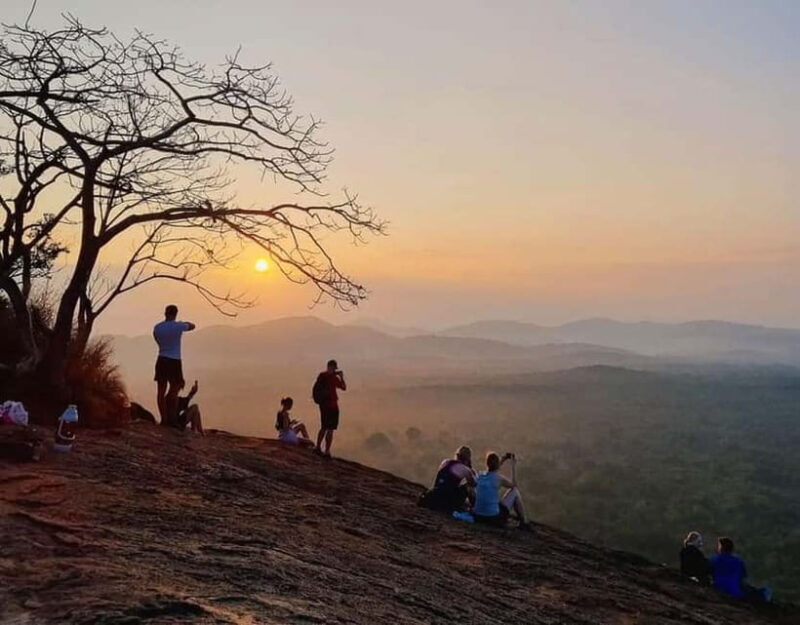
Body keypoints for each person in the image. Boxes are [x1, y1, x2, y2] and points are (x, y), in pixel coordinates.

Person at [153, 305, 195, 426]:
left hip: (161, 358)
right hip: (174, 360)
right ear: (175, 314)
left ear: (165, 313)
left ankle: (164, 418)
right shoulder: (178, 326)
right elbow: (192, 326)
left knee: (160, 390)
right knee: (175, 387)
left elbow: (157, 340)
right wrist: (184, 322)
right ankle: (171, 415)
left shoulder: (157, 327)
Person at [473, 451, 532, 531]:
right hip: (493, 517)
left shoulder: (480, 475)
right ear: (497, 464)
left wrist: (503, 459)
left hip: (478, 516)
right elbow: (513, 485)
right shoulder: (498, 479)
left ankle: (523, 522)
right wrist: (513, 466)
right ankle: (523, 522)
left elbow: (491, 470)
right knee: (514, 491)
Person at [711, 537, 771, 604]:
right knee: (762, 591)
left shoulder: (714, 560)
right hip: (736, 592)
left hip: (718, 588)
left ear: (721, 548)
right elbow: (743, 577)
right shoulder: (738, 561)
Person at [419, 446, 476, 513]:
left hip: (434, 494)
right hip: (447, 501)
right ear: (467, 459)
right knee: (468, 486)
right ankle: (474, 508)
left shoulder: (445, 462)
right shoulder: (465, 469)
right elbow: (474, 483)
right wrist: (470, 467)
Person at [313, 359, 346, 458]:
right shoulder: (328, 377)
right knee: (327, 428)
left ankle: (321, 448)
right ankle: (324, 450)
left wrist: (339, 377)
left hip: (327, 405)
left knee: (327, 428)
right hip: (329, 406)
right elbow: (344, 387)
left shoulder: (322, 376)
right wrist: (340, 377)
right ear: (330, 367)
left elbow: (343, 387)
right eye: (333, 368)